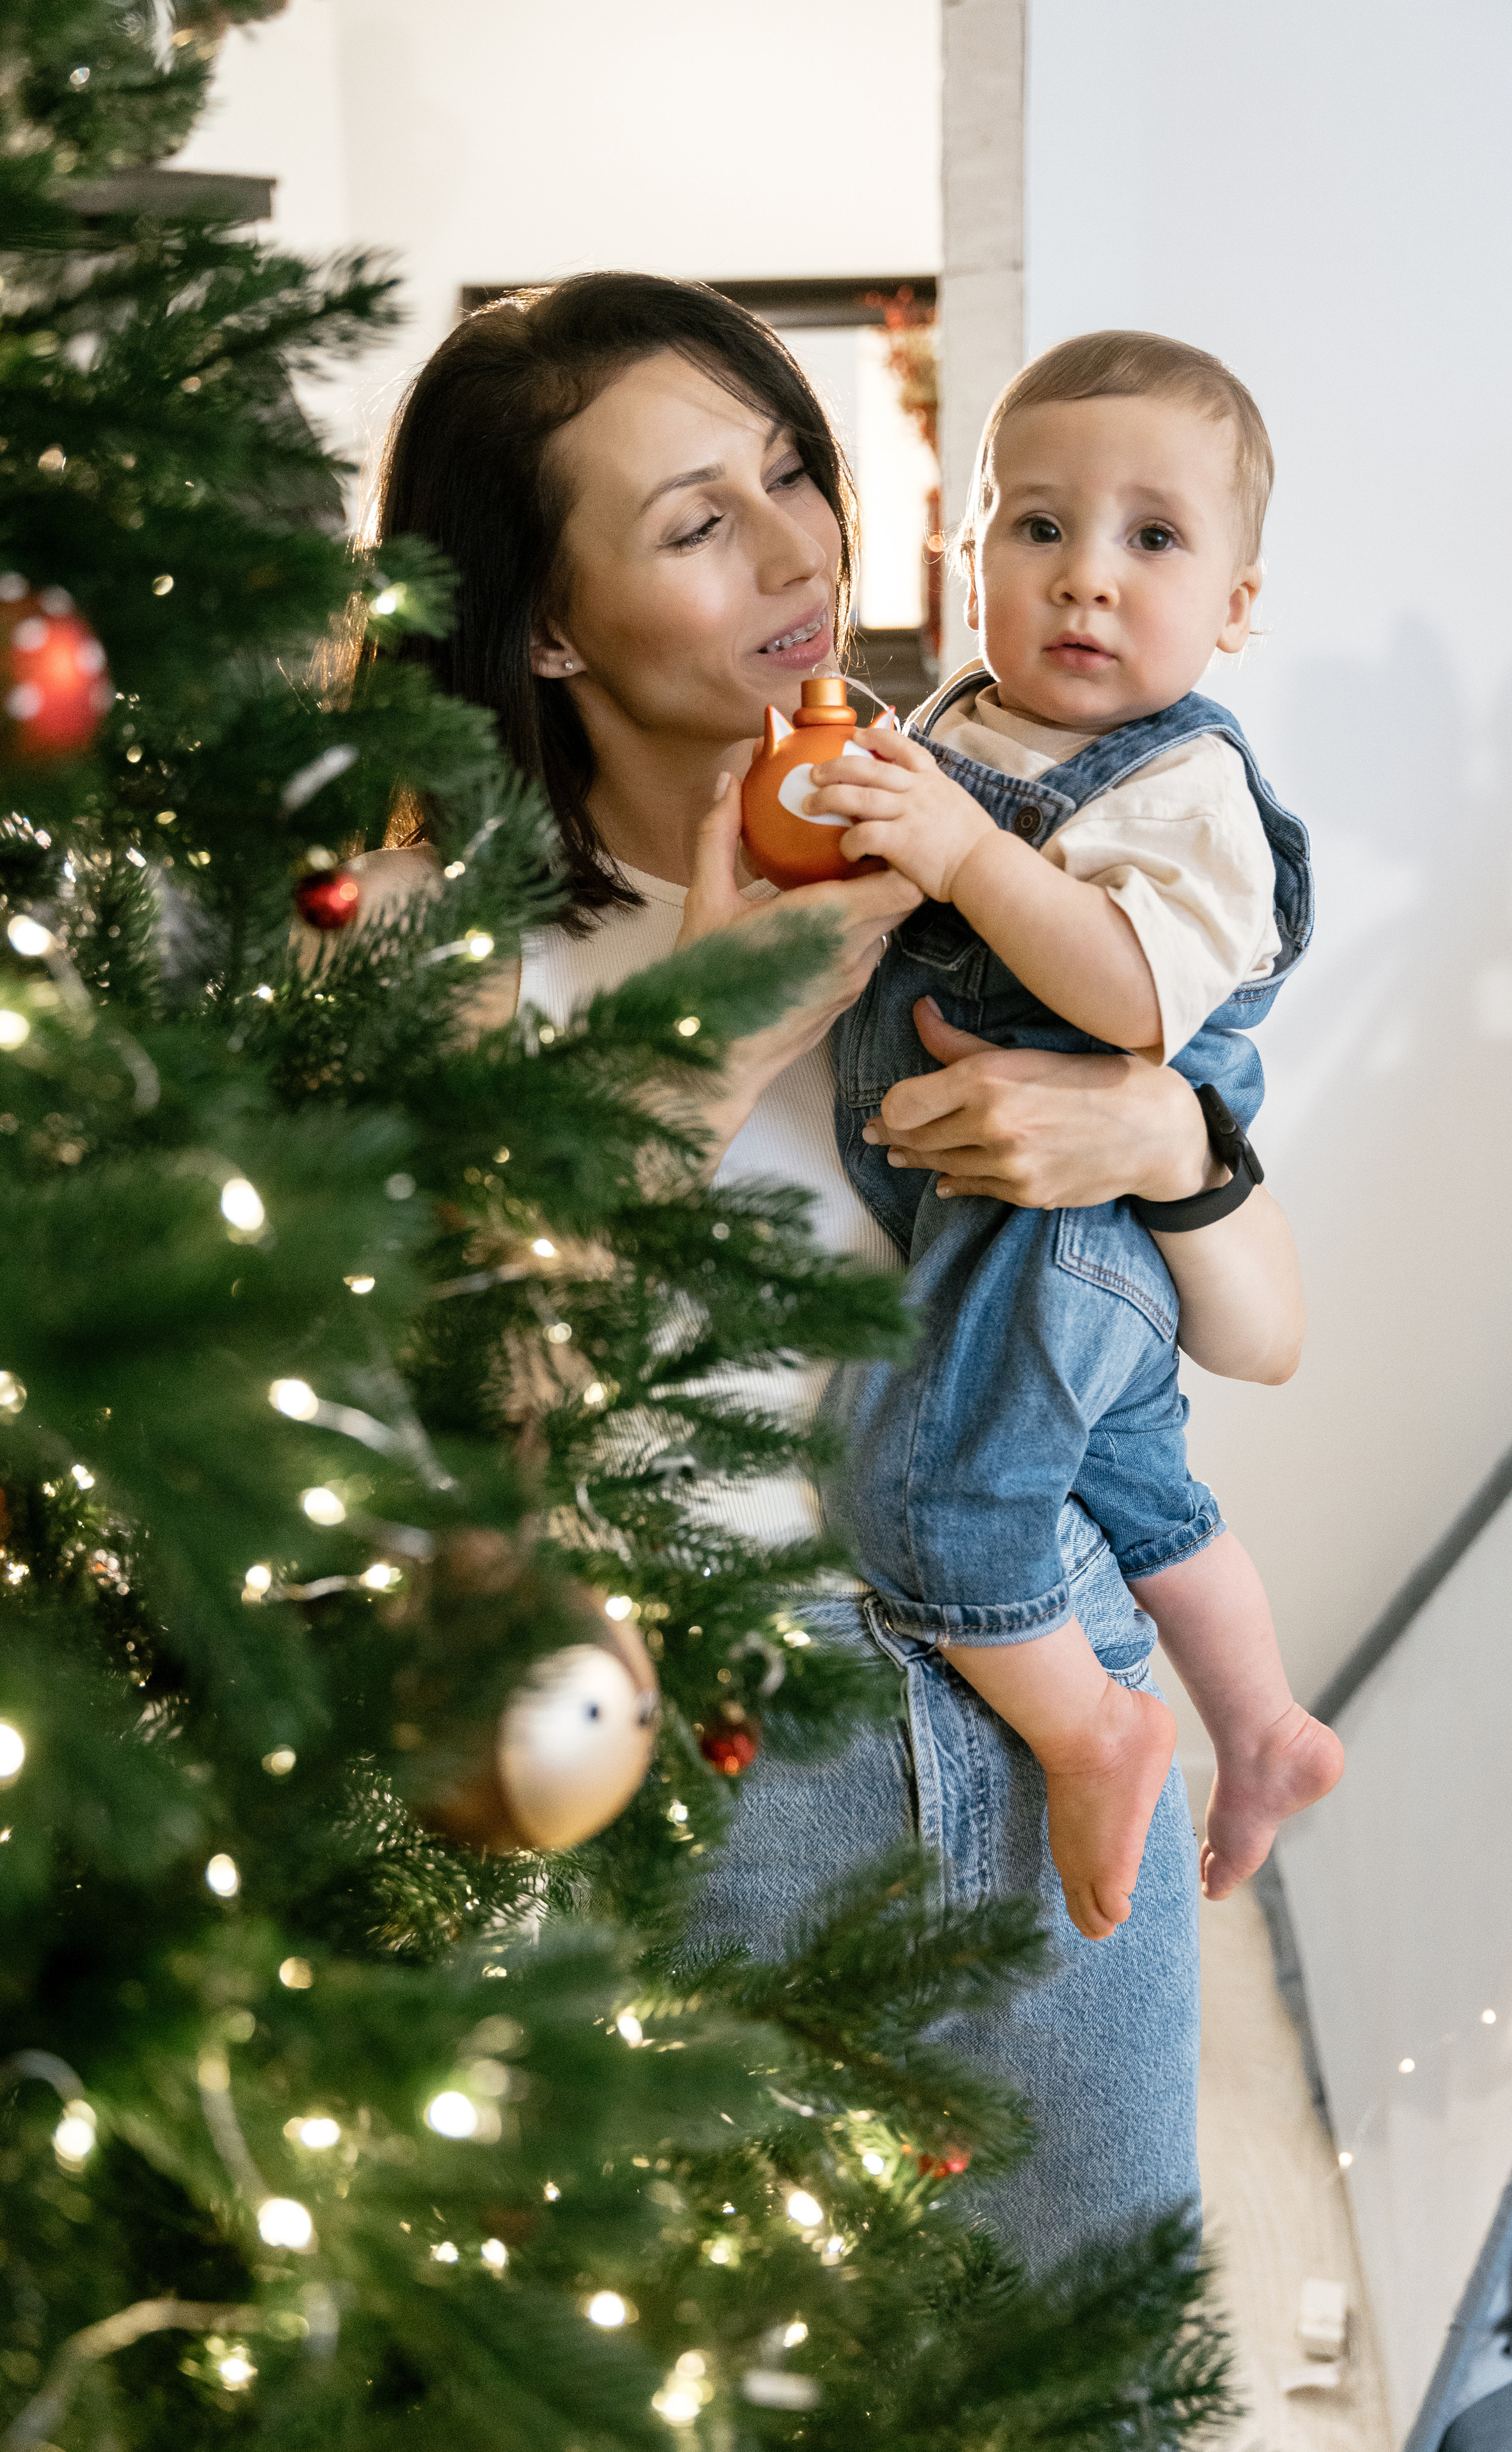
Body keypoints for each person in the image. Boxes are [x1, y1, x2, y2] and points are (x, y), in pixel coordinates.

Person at [362, 272, 1307, 2269]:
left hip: (1058, 1692)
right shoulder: (444, 932)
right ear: (542, 618)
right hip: (714, 1769)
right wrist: (711, 1034)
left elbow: (1258, 1334)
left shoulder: (989, 802)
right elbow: (482, 1434)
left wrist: (1177, 1144)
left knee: (1093, 2370)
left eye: (793, 470)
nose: (799, 549)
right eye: (699, 521)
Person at [801, 332, 1343, 1943]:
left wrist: (961, 854)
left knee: (925, 1488)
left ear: (1235, 607)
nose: (1082, 580)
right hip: (986, 1210)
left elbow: (1125, 997)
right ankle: (1260, 1723)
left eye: (1150, 538)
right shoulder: (965, 726)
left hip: (1073, 1223)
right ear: (966, 560)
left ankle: (1092, 1727)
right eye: (1034, 528)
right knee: (1129, 1479)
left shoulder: (1183, 788)